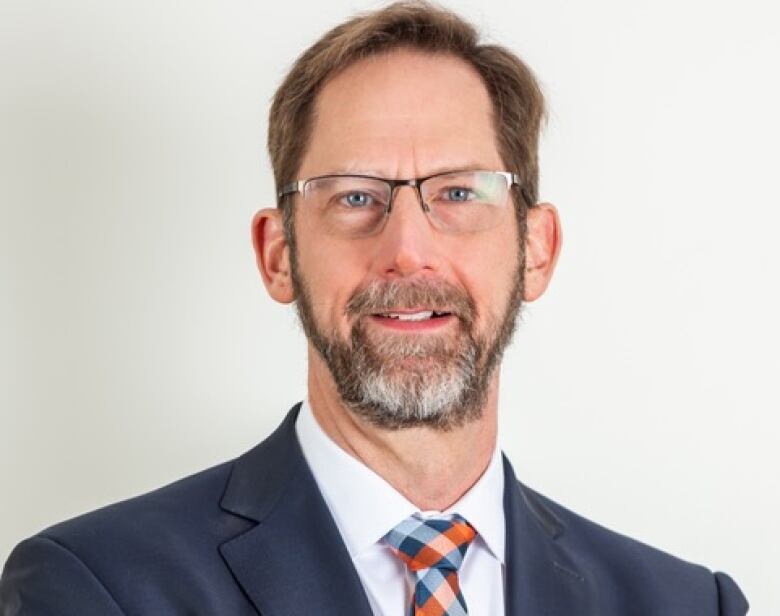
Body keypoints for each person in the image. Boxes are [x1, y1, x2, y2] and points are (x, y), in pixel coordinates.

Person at [0, 2, 749, 615]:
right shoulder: (98, 587)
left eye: (459, 192)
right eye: (355, 196)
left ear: (537, 249)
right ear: (279, 254)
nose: (408, 251)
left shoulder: (685, 602)